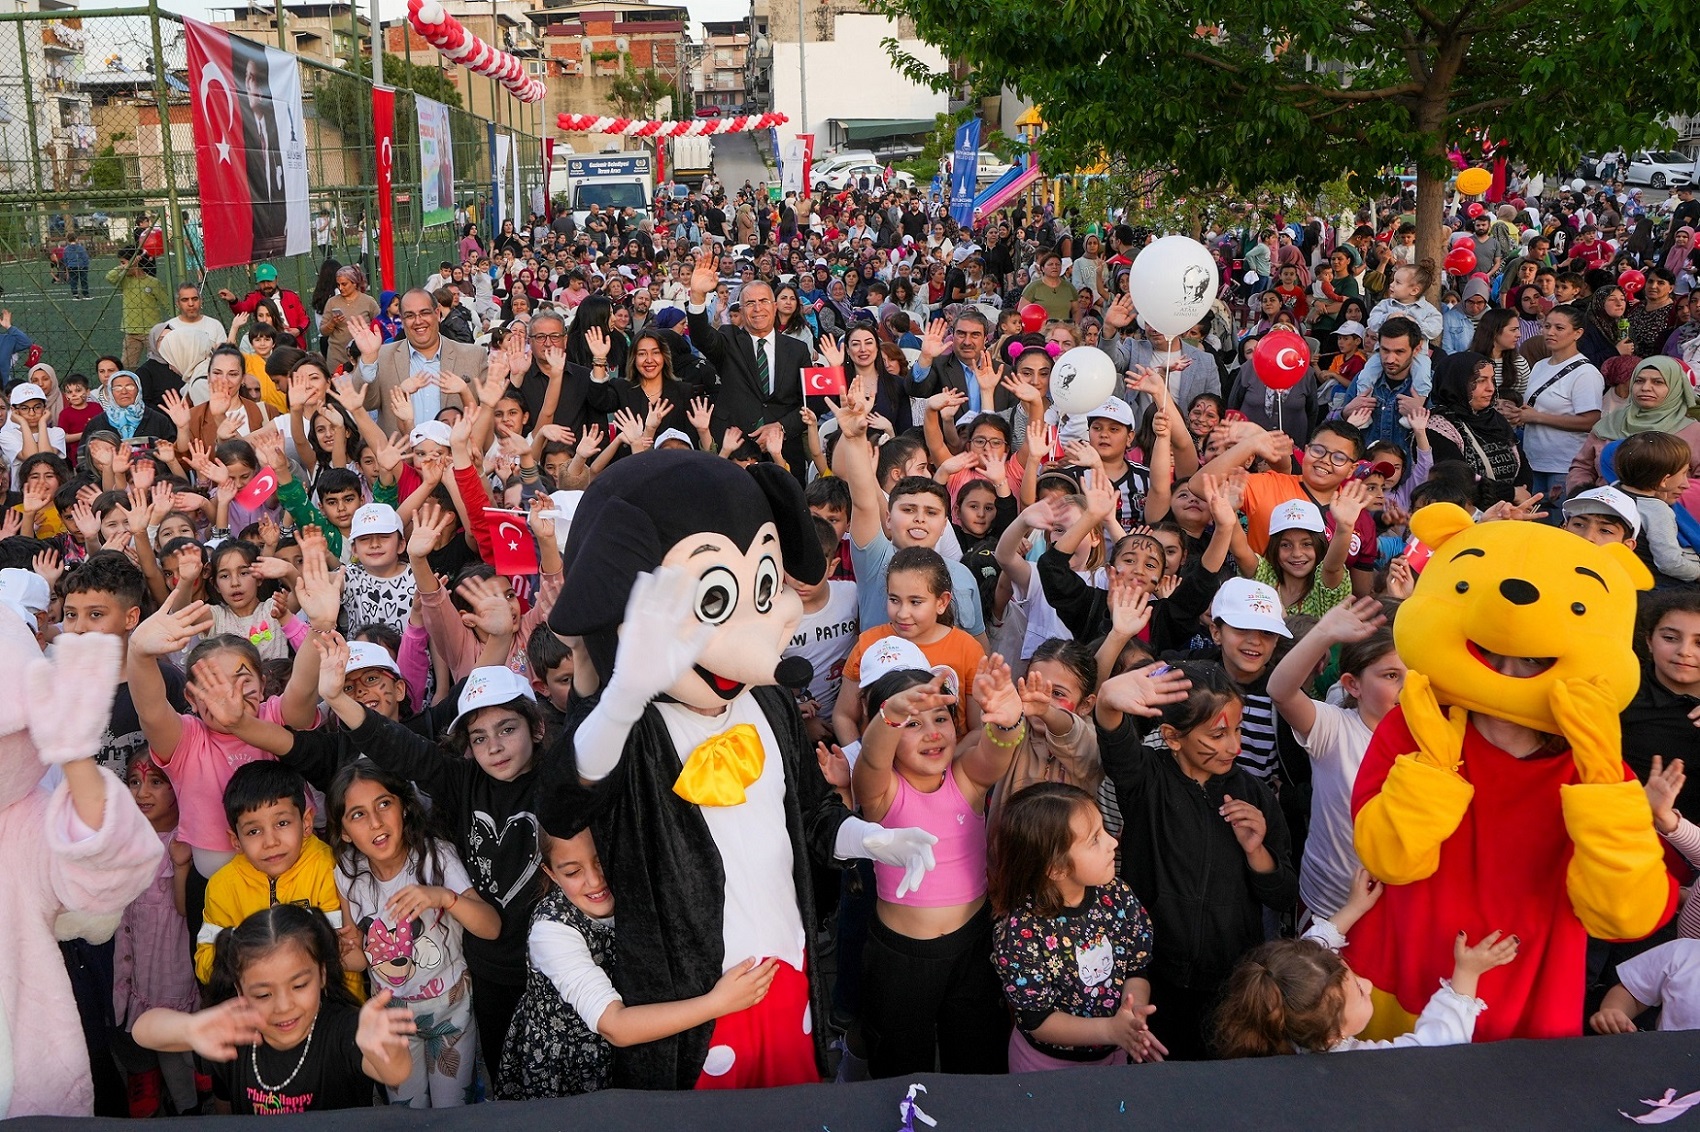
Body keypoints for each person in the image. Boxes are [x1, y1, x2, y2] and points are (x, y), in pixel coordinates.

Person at [1095, 660, 1297, 1059]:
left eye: (1238, 730)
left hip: (1231, 983)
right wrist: (1106, 701)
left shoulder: (1253, 796)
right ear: (1172, 737)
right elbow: (1115, 740)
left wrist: (1257, 850)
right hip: (1153, 978)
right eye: (1218, 734)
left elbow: (1284, 893)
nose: (1234, 747)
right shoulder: (1146, 781)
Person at [497, 820, 779, 1099]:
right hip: (568, 1066)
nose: (595, 880)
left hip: (630, 1049)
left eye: (601, 860)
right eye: (573, 871)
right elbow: (615, 1026)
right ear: (552, 874)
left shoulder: (635, 888)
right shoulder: (551, 932)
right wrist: (717, 1003)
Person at [850, 654, 1019, 1077]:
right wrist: (890, 716)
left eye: (941, 719)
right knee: (900, 1063)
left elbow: (996, 754)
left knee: (978, 1055)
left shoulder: (965, 778)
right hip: (901, 959)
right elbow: (871, 761)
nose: (932, 733)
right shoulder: (882, 792)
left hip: (973, 945)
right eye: (912, 724)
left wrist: (1007, 722)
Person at [327, 759, 500, 1107]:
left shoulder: (436, 858)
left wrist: (444, 898)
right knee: (406, 1112)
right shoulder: (347, 873)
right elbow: (361, 959)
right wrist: (342, 952)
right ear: (344, 831)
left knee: (452, 1111)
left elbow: (491, 927)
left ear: (404, 807)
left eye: (384, 804)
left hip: (451, 1014)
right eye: (358, 814)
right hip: (393, 1021)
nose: (375, 822)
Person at [131, 903, 416, 1114]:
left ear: (322, 974)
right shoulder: (235, 1032)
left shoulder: (344, 1029)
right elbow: (143, 1031)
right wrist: (191, 1028)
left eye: (299, 985)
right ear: (240, 989)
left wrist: (385, 1047)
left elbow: (396, 1074)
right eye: (263, 994)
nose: (283, 1006)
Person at [1212, 868, 1519, 1055]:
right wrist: (1467, 973)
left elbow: (1315, 946)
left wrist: (1354, 907)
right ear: (1334, 1035)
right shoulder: (1363, 1063)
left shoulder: (1287, 1015)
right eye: (1359, 991)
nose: (1369, 984)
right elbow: (1436, 1047)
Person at [990, 781, 1161, 1070]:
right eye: (1095, 839)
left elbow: (1136, 968)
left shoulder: (1117, 895)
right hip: (1044, 1068)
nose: (1113, 842)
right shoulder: (1020, 932)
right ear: (1056, 868)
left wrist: (1131, 1017)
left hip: (1114, 1056)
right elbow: (1038, 1020)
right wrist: (1111, 1030)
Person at [1266, 596, 1405, 921]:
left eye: (1414, 672)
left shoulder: (1430, 736)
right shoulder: (1334, 729)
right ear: (1352, 685)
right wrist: (1323, 633)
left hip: (1395, 910)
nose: (1407, 686)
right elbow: (1281, 691)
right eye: (1391, 676)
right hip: (1328, 904)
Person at [193, 761, 350, 988]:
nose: (270, 842)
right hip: (258, 1005)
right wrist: (256, 954)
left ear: (306, 822)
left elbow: (342, 951)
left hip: (333, 1001)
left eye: (282, 823)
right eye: (253, 831)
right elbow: (205, 966)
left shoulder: (329, 868)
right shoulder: (222, 886)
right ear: (236, 840)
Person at [112, 755, 198, 1117]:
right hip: (136, 959)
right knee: (150, 1035)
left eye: (155, 782)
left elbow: (183, 908)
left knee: (175, 1042)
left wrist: (180, 865)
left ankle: (193, 1105)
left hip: (169, 965)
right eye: (134, 782)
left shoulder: (184, 841)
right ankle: (174, 1099)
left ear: (177, 787)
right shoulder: (128, 838)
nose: (141, 792)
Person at [684, 247, 811, 481]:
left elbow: (809, 403)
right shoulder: (728, 339)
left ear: (775, 306)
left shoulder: (798, 350)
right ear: (741, 311)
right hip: (734, 447)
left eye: (763, 301)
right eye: (750, 303)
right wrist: (698, 296)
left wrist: (781, 427)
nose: (757, 308)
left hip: (782, 448)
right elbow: (701, 337)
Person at [1499, 304, 1603, 509]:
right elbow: (1535, 406)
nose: (1550, 332)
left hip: (1563, 463)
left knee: (1558, 520)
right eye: (1547, 326)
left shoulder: (1585, 373)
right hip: (1533, 458)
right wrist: (1517, 412)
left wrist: (1536, 417)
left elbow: (1590, 421)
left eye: (1559, 328)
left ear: (1577, 333)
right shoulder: (1540, 365)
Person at [351, 288, 487, 435]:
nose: (418, 321)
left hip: (457, 448)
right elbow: (365, 403)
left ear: (437, 314)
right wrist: (369, 359)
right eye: (410, 315)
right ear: (402, 320)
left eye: (424, 313)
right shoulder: (382, 356)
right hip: (400, 448)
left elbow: (487, 415)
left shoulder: (473, 356)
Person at [1613, 430, 1700, 586]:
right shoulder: (1657, 511)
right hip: (1653, 586)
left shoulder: (1611, 491)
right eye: (1683, 473)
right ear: (1664, 480)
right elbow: (1670, 564)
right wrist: (1697, 572)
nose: (1686, 483)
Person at [108, 246, 171, 367]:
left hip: (152, 331)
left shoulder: (152, 282)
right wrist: (124, 267)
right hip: (131, 332)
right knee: (127, 365)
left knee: (158, 363)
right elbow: (110, 277)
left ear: (136, 262)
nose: (122, 266)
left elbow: (167, 303)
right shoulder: (125, 280)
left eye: (123, 262)